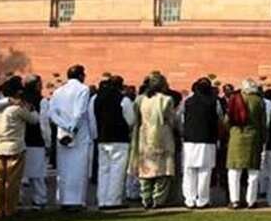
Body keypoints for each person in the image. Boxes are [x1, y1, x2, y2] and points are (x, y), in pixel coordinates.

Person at [0, 77, 39, 219]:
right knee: (12, 181)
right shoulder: (16, 109)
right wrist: (32, 109)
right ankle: (10, 209)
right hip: (15, 147)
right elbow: (34, 120)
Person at [129, 73, 178, 209]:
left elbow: (135, 120)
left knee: (145, 171)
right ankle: (158, 199)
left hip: (144, 137)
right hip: (162, 137)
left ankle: (146, 198)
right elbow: (172, 120)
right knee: (162, 171)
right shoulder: (166, 99)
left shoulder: (140, 99)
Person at [49, 64, 95, 210]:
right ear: (81, 76)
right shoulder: (83, 89)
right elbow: (79, 112)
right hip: (78, 134)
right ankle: (76, 201)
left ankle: (63, 199)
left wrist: (63, 126)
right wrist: (71, 128)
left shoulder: (58, 91)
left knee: (63, 169)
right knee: (79, 168)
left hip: (62, 133)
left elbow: (52, 114)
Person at [92, 75, 135, 209]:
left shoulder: (97, 99)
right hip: (119, 138)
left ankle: (102, 199)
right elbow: (131, 120)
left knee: (103, 170)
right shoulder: (123, 100)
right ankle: (113, 200)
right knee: (117, 170)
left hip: (102, 138)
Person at [226, 79, 266, 209]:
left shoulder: (235, 98)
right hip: (254, 137)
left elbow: (227, 119)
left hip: (236, 136)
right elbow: (263, 123)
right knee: (253, 171)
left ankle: (235, 200)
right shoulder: (259, 101)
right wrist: (263, 139)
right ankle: (251, 200)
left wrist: (230, 132)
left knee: (234, 170)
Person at [181, 77, 220, 209]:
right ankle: (202, 199)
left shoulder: (188, 102)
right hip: (207, 140)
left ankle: (189, 199)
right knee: (205, 171)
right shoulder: (214, 102)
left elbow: (181, 119)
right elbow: (219, 118)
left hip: (190, 140)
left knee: (189, 171)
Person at [20, 76, 50, 209]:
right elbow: (44, 123)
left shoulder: (19, 100)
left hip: (21, 140)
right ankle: (39, 199)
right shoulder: (41, 101)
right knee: (38, 173)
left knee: (20, 173)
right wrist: (47, 141)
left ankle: (18, 198)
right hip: (36, 140)